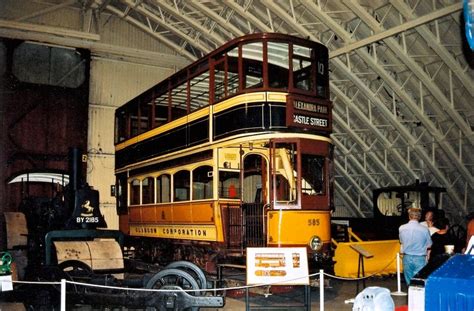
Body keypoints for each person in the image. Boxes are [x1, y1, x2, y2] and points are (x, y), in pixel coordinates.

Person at [399, 207, 432, 286]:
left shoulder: (401, 228)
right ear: (419, 217)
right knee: (419, 282)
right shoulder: (425, 229)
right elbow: (429, 244)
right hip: (420, 258)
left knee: (409, 283)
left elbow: (401, 241)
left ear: (409, 216)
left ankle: (411, 297)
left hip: (407, 258)